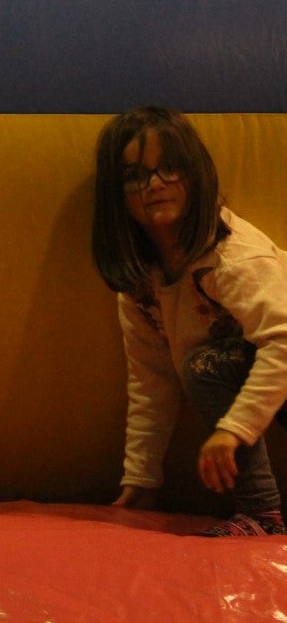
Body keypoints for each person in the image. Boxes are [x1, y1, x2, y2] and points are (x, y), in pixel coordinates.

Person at [92, 105, 287, 536]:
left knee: (205, 366)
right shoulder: (141, 282)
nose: (155, 184)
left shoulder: (232, 258)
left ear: (195, 174)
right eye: (135, 176)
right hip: (263, 369)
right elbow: (151, 380)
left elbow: (283, 341)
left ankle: (262, 513)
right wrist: (142, 479)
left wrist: (233, 430)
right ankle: (263, 515)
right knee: (201, 367)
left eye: (170, 168)